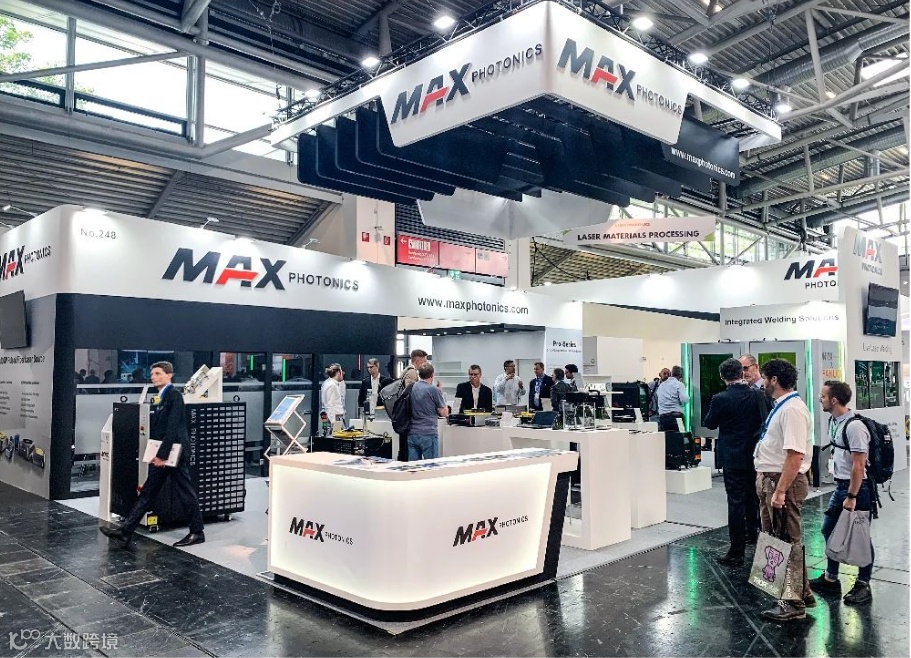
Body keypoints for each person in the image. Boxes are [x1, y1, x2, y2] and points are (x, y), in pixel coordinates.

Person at [100, 361, 204, 548]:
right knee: (148, 492)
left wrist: (162, 455)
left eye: (158, 373)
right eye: (152, 374)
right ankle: (125, 532)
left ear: (169, 375)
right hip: (164, 453)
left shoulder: (174, 396)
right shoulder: (161, 397)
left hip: (174, 455)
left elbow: (173, 428)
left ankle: (197, 532)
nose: (153, 377)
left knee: (185, 493)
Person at [754, 358, 814, 622]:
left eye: (765, 378)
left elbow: (795, 456)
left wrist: (780, 491)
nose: (762, 383)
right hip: (773, 480)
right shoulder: (783, 407)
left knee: (787, 540)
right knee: (777, 538)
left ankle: (792, 603)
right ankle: (800, 592)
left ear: (774, 380)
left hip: (784, 483)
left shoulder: (792, 410)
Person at [811, 380, 875, 606]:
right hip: (842, 487)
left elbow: (859, 465)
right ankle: (830, 578)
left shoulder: (855, 427)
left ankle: (863, 584)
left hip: (857, 488)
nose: (820, 399)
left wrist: (852, 496)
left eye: (823, 396)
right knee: (829, 530)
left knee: (860, 537)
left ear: (834, 400)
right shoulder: (835, 421)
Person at [703, 358, 764, 566]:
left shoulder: (720, 398)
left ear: (723, 377)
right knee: (753, 497)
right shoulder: (757, 395)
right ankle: (753, 532)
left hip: (732, 456)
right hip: (754, 455)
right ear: (741, 373)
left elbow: (710, 423)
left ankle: (736, 551)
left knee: (736, 502)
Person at [407, 362, 449, 460]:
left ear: (419, 374)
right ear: (432, 375)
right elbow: (444, 413)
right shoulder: (434, 390)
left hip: (412, 432)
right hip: (428, 433)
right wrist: (440, 392)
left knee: (413, 467)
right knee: (431, 465)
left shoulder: (412, 387)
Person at [656, 366, 689, 431]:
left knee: (666, 436)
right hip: (676, 416)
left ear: (671, 374)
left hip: (663, 416)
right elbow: (684, 399)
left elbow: (658, 397)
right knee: (677, 436)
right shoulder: (679, 384)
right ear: (681, 375)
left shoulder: (661, 385)